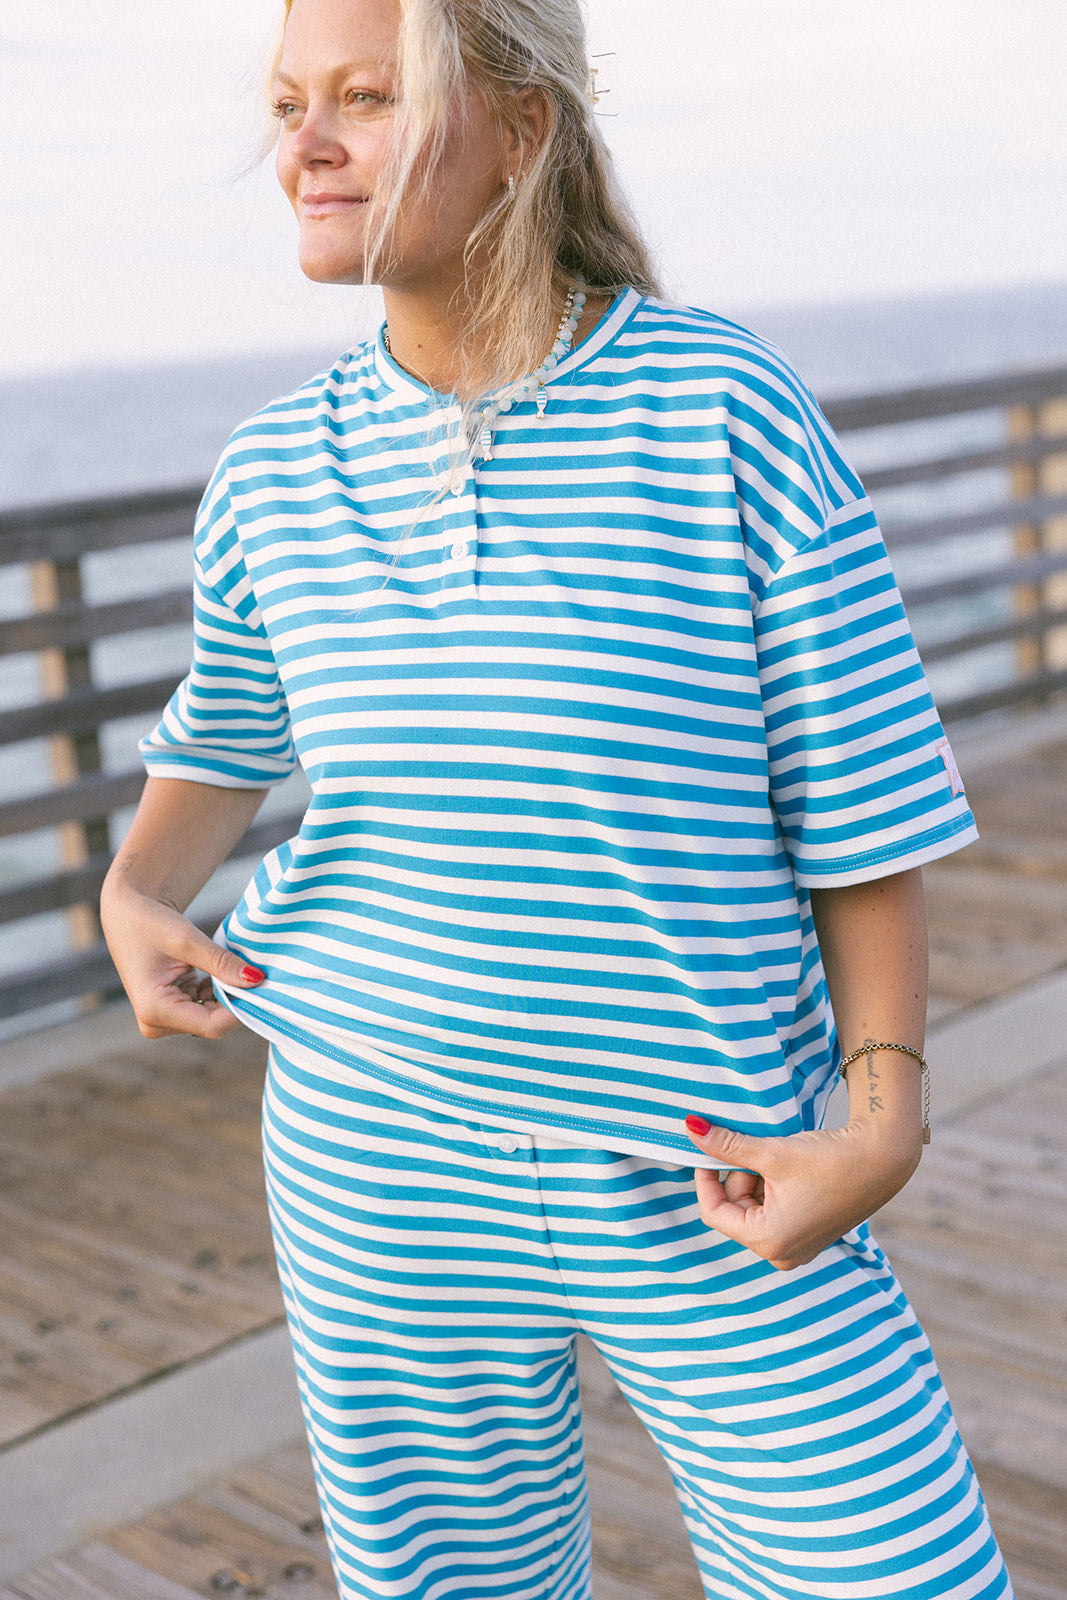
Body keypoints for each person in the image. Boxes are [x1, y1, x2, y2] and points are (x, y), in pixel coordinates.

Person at [100, 1, 1014, 1596]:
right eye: (289, 103)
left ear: (522, 132)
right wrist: (130, 896)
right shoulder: (269, 473)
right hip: (369, 1156)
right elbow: (221, 746)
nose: (303, 146)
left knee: (886, 1568)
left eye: (369, 99)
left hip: (717, 1161)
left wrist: (884, 1125)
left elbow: (866, 809)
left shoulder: (722, 407)